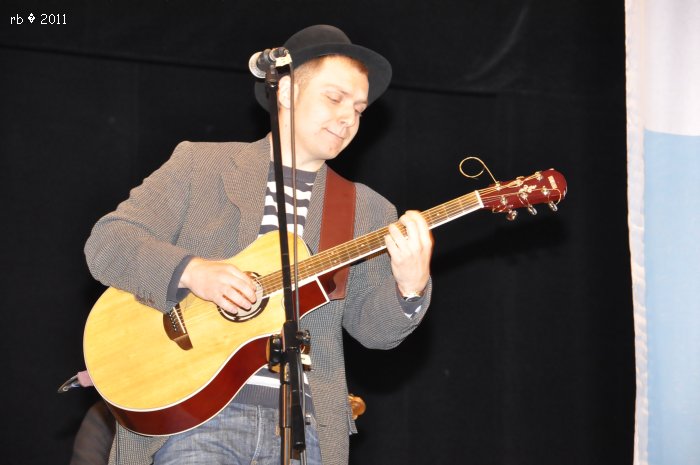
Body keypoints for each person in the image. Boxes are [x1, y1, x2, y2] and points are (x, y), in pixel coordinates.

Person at [84, 24, 433, 465]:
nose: (349, 117)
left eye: (359, 109)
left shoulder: (366, 209)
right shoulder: (201, 165)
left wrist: (410, 289)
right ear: (284, 91)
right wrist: (194, 271)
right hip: (194, 421)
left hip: (305, 429)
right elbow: (108, 242)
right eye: (334, 98)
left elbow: (375, 332)